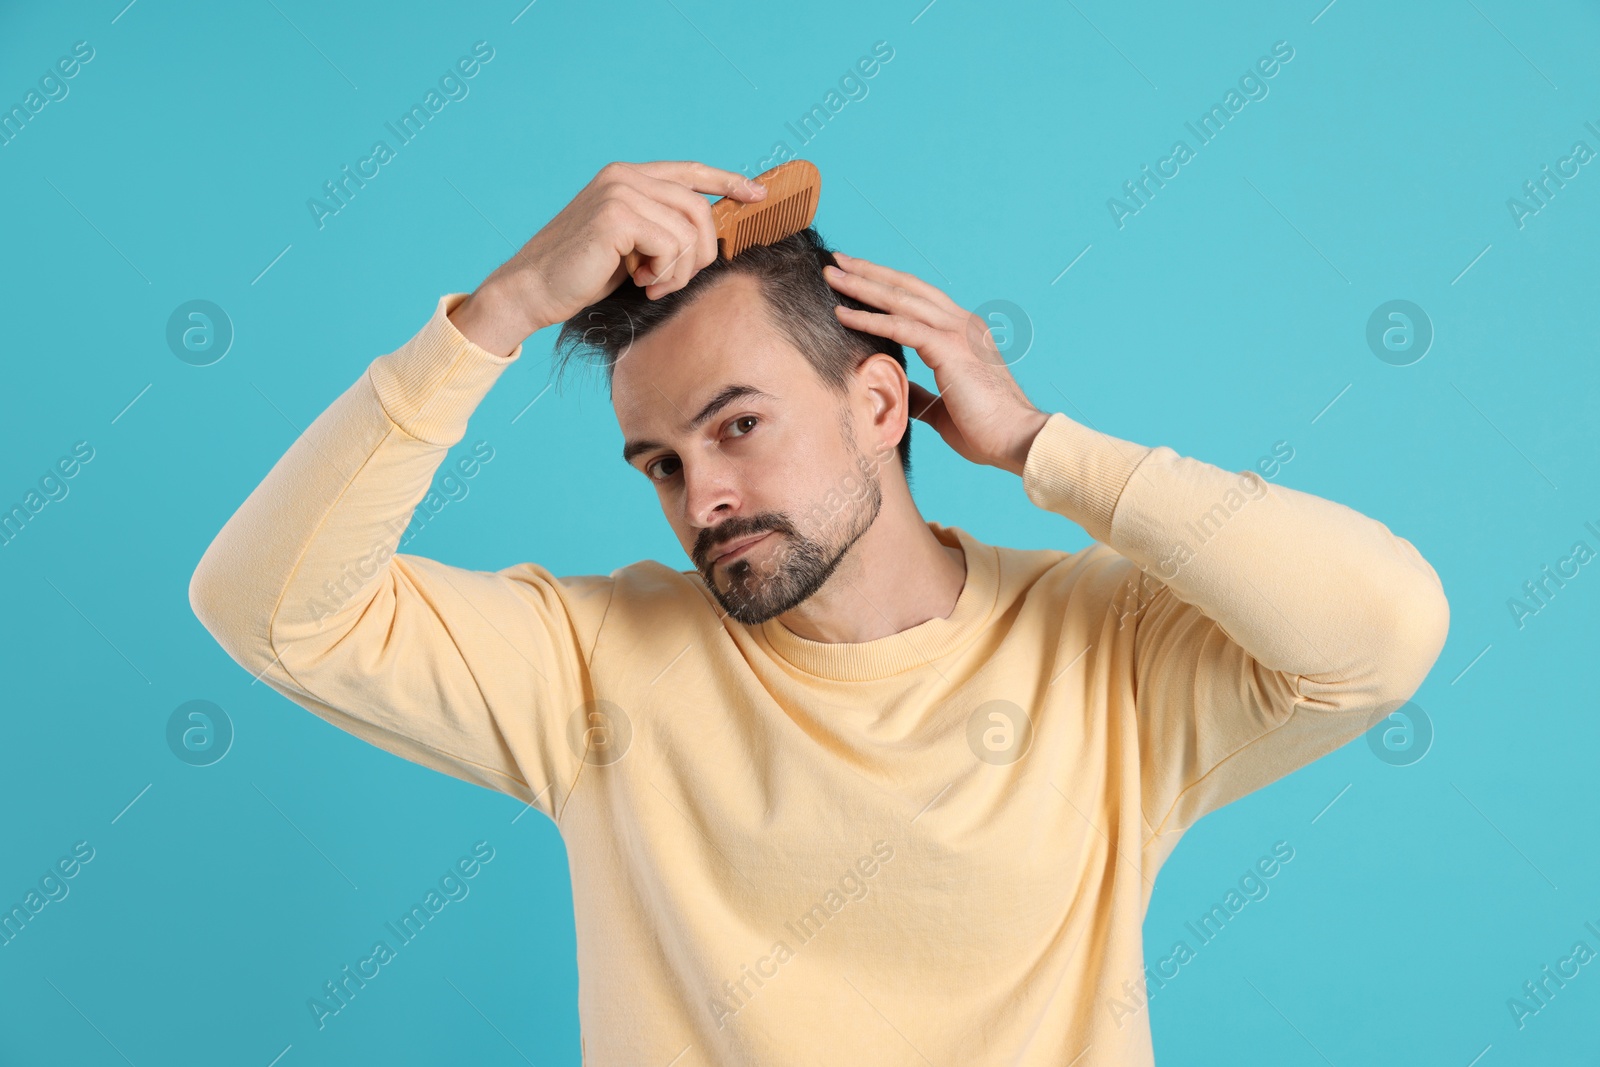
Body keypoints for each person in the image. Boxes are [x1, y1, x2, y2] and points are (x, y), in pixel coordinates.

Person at [189, 159, 1450, 1065]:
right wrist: (501, 307)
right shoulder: (588, 665)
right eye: (662, 463)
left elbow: (1381, 629)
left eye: (738, 424)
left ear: (883, 403)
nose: (704, 496)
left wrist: (1037, 444)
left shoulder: (1105, 651)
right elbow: (270, 610)